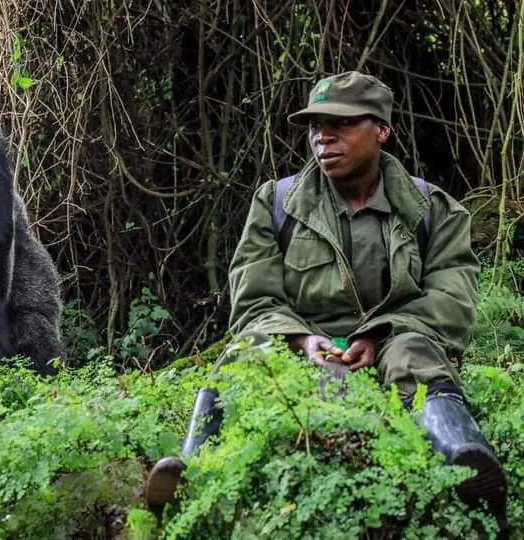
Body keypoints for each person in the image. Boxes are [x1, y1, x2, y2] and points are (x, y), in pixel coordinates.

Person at [144, 71, 508, 532]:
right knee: (247, 350)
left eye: (342, 124)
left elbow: (452, 300)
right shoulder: (277, 204)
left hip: (394, 340)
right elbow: (253, 299)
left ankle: (465, 460)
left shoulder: (432, 210)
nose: (323, 137)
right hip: (300, 346)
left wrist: (378, 336)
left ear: (381, 129)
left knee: (415, 353)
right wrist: (300, 339)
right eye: (315, 126)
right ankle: (191, 467)